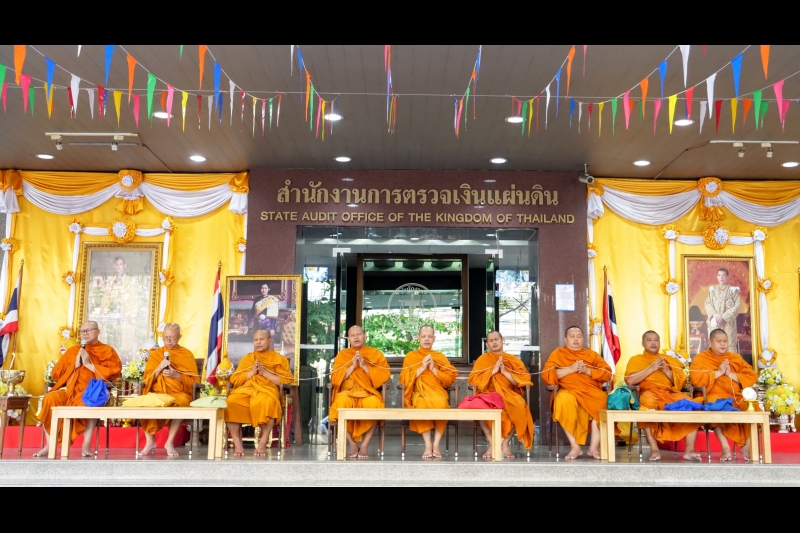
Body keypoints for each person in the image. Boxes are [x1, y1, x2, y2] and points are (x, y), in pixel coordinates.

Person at [34, 321, 122, 457]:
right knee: (49, 399)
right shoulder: (73, 351)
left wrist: (88, 365)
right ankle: (49, 445)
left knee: (91, 402)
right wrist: (74, 365)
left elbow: (113, 372)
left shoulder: (107, 351)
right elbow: (56, 373)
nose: (85, 333)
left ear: (98, 332)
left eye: (89, 330)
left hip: (92, 392)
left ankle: (86, 443)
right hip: (70, 391)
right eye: (82, 331)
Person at [623, 331, 701, 461]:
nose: (653, 343)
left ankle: (689, 450)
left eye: (656, 340)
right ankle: (654, 449)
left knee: (692, 405)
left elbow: (681, 381)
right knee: (646, 406)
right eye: (649, 340)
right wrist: (651, 368)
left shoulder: (668, 360)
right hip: (649, 393)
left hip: (669, 393)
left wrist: (667, 371)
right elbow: (630, 381)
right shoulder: (635, 359)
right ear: (642, 343)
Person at [542, 326, 612, 460]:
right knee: (563, 401)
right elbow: (547, 375)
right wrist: (571, 369)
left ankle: (593, 448)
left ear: (583, 339)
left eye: (579, 336)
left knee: (603, 402)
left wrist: (588, 371)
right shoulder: (558, 354)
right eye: (572, 336)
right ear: (565, 339)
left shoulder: (592, 355)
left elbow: (607, 373)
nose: (576, 339)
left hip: (590, 391)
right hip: (567, 390)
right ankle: (575, 447)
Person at [690, 328, 758, 461]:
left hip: (735, 396)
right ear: (710, 342)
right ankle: (725, 448)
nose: (723, 344)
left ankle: (747, 446)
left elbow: (751, 376)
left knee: (752, 408)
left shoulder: (735, 358)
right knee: (715, 407)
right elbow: (695, 379)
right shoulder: (701, 358)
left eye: (725, 341)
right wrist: (718, 373)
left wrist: (730, 375)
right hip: (713, 395)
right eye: (719, 341)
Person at [225, 329, 294, 457]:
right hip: (247, 390)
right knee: (231, 402)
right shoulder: (248, 358)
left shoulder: (279, 359)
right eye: (256, 340)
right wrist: (251, 373)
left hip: (267, 391)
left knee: (267, 402)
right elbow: (235, 379)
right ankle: (237, 443)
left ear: (270, 341)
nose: (258, 342)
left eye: (261, 339)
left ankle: (263, 442)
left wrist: (264, 373)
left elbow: (286, 380)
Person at [469, 330, 534, 459]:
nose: (494, 343)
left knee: (520, 406)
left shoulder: (513, 360)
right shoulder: (483, 360)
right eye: (491, 341)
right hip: (488, 393)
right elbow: (473, 380)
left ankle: (505, 443)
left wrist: (505, 373)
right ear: (487, 345)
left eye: (496, 340)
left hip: (508, 393)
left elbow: (524, 379)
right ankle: (492, 443)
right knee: (480, 407)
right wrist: (492, 371)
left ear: (502, 340)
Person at [138, 323, 200, 457]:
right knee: (143, 402)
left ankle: (169, 442)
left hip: (178, 393)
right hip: (158, 392)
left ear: (179, 337)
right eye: (166, 338)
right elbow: (146, 379)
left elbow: (195, 382)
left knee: (182, 402)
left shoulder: (186, 354)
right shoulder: (156, 355)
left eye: (172, 338)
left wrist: (176, 375)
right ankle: (149, 441)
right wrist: (159, 368)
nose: (169, 341)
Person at [329, 325, 391, 458]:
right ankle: (351, 443)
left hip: (367, 391)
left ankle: (364, 446)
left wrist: (364, 366)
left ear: (365, 336)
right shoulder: (343, 355)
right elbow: (335, 379)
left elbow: (384, 375)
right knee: (340, 403)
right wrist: (352, 366)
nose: (356, 337)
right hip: (348, 392)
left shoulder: (375, 354)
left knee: (375, 404)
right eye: (353, 335)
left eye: (359, 334)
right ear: (348, 339)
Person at [399, 325, 458, 459]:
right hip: (419, 392)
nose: (427, 339)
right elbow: (403, 378)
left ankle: (436, 444)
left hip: (437, 391)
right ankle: (427, 444)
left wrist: (433, 369)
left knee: (442, 406)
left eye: (430, 337)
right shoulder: (411, 356)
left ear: (434, 339)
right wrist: (421, 368)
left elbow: (449, 379)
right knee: (420, 406)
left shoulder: (440, 357)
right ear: (418, 338)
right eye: (424, 336)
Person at [704, 268, 741, 354]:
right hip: (715, 321)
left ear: (727, 277)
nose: (721, 277)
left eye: (724, 275)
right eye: (719, 275)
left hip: (728, 323)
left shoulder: (733, 290)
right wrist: (714, 315)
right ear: (717, 277)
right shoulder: (712, 290)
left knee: (730, 344)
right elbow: (708, 303)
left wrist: (723, 317)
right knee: (715, 343)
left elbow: (736, 306)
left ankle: (731, 366)